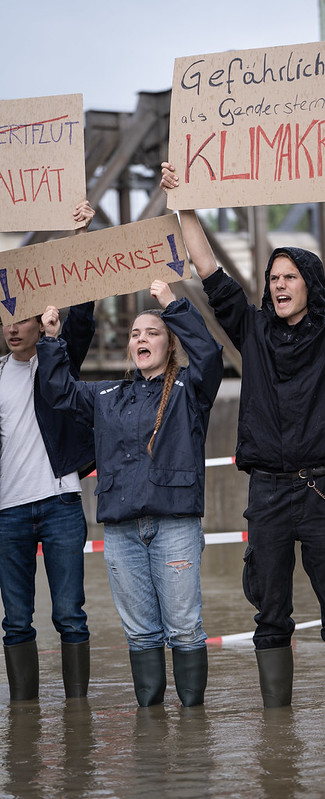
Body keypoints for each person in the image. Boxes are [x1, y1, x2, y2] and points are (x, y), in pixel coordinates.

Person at [160, 145, 325, 708]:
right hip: (266, 492)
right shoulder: (252, 329)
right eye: (273, 277)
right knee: (270, 612)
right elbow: (209, 271)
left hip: (323, 490)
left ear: (310, 283)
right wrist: (182, 202)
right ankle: (276, 730)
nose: (279, 284)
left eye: (290, 276)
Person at [36, 280, 223, 708]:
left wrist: (173, 305)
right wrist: (51, 339)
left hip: (175, 526)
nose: (142, 339)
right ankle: (151, 726)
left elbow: (210, 354)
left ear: (170, 345)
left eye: (152, 333)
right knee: (140, 633)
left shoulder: (190, 390)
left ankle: (193, 727)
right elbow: (59, 390)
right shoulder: (107, 396)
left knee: (184, 628)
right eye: (136, 333)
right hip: (121, 532)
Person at [0, 201, 96, 702]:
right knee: (15, 620)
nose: (13, 327)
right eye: (6, 319)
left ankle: (77, 713)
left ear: (42, 322)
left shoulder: (58, 362)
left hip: (60, 504)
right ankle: (25, 713)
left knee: (69, 615)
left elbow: (82, 312)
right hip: (7, 511)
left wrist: (80, 235)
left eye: (22, 319)